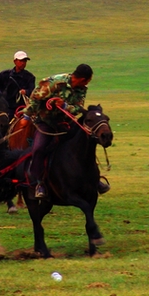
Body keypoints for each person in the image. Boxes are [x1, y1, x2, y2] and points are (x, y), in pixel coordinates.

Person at [24, 63, 108, 198]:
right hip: (46, 122)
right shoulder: (54, 82)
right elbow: (35, 98)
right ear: (82, 79)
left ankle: (94, 179)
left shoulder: (81, 89)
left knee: (85, 142)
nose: (87, 84)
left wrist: (64, 105)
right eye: (88, 80)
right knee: (39, 148)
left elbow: (78, 108)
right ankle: (39, 183)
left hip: (66, 122)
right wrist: (26, 115)